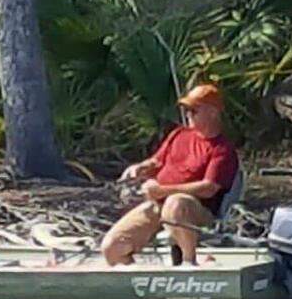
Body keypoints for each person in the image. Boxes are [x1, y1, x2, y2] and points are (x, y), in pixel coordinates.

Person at [101, 83, 239, 266]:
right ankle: (142, 284)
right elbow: (156, 161)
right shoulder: (179, 135)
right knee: (112, 247)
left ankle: (189, 263)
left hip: (196, 210)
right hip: (157, 205)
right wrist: (140, 168)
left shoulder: (222, 149)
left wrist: (162, 191)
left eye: (194, 110)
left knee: (176, 204)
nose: (188, 113)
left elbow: (208, 188)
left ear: (213, 112)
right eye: (187, 109)